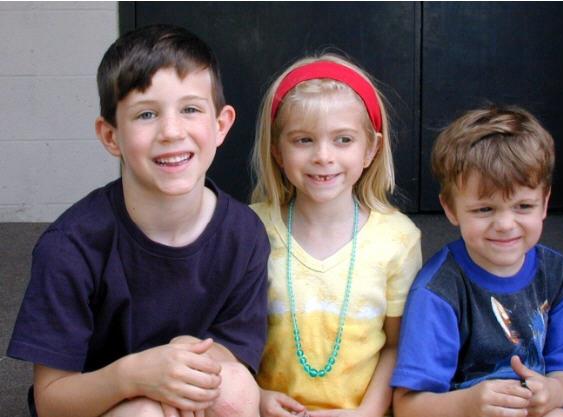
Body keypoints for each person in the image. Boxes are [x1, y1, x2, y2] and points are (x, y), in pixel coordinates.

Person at [7, 24, 270, 417]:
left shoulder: (244, 233)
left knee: (235, 388)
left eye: (190, 109)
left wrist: (181, 362)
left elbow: (234, 351)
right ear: (111, 136)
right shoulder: (69, 246)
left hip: (185, 398)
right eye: (146, 114)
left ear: (220, 125)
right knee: (143, 413)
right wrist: (132, 376)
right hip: (101, 402)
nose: (171, 131)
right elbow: (52, 401)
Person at [250, 53, 422, 417]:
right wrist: (255, 397)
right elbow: (228, 333)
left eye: (343, 139)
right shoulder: (250, 228)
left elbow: (396, 346)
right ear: (277, 150)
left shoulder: (398, 239)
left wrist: (365, 413)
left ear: (371, 149)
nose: (323, 156)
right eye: (303, 140)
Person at [391, 105, 563, 417]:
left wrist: (552, 392)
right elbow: (407, 406)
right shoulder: (438, 291)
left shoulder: (560, 276)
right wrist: (467, 404)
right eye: (484, 209)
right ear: (450, 208)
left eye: (523, 206)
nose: (505, 224)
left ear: (545, 202)